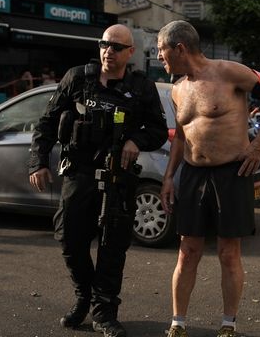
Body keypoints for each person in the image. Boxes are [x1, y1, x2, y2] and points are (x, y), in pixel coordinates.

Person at [28, 24, 168, 337]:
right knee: (68, 237)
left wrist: (135, 141)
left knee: (113, 246)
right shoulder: (77, 78)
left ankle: (105, 312)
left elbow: (158, 129)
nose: (109, 51)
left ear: (130, 52)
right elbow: (47, 123)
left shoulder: (142, 87)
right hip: (79, 173)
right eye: (104, 44)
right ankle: (84, 297)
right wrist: (37, 162)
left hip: (118, 176)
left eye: (117, 47)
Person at [157, 20, 260, 337]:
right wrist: (169, 176)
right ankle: (178, 323)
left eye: (162, 53)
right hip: (192, 173)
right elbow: (180, 137)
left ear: (180, 48)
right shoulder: (178, 89)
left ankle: (228, 324)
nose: (161, 60)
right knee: (187, 251)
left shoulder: (230, 72)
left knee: (229, 252)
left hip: (232, 171)